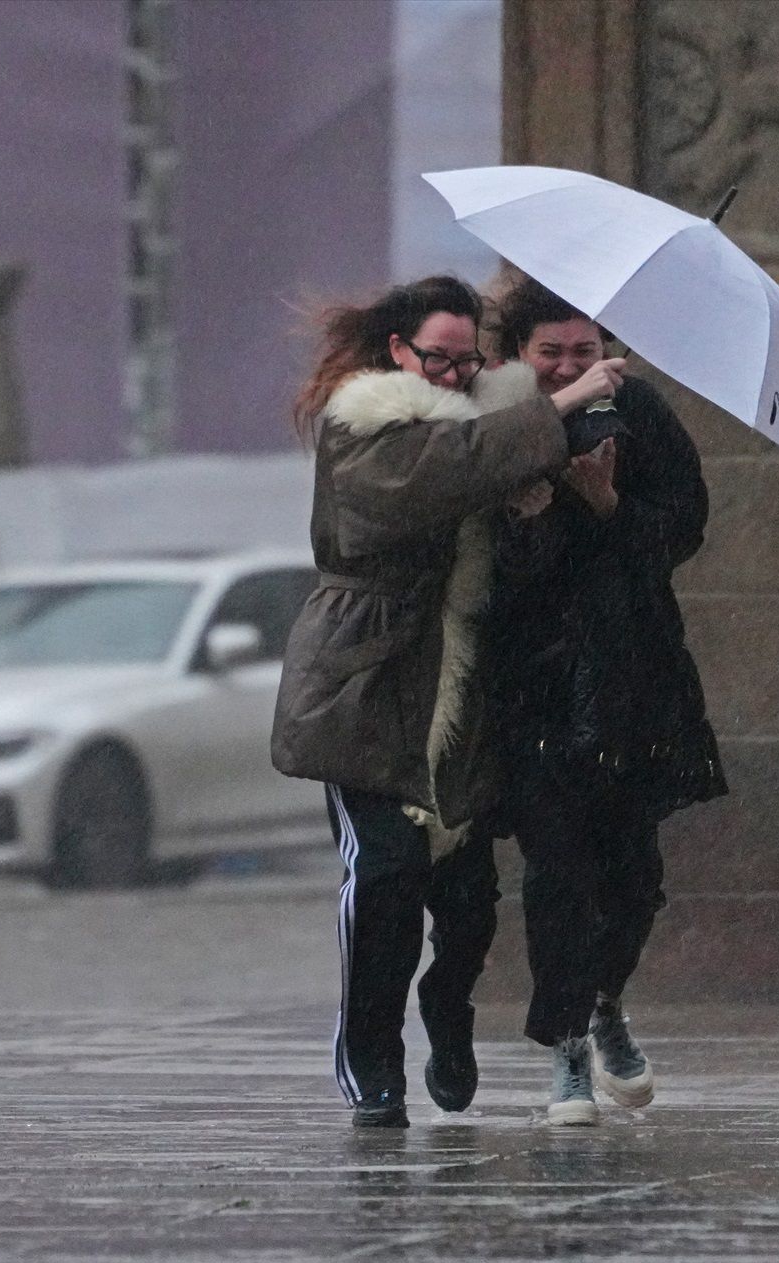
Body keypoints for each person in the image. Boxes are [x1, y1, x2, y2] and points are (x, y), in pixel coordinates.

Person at [271, 274, 619, 1128]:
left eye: (468, 362)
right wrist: (560, 404)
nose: (456, 375)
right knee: (385, 876)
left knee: (466, 902)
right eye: (439, 359)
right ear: (399, 351)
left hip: (463, 691)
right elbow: (431, 477)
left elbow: (516, 548)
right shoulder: (365, 423)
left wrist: (537, 507)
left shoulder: (492, 430)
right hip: (369, 684)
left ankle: (448, 1008)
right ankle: (372, 1062)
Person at [479, 275, 726, 1125]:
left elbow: (683, 528)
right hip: (535, 688)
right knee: (559, 873)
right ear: (520, 354)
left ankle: (604, 1002)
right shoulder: (499, 425)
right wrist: (532, 511)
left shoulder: (641, 414)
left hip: (632, 678)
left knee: (634, 877)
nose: (567, 365)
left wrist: (610, 504)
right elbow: (488, 565)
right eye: (550, 352)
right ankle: (567, 1050)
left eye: (583, 350)